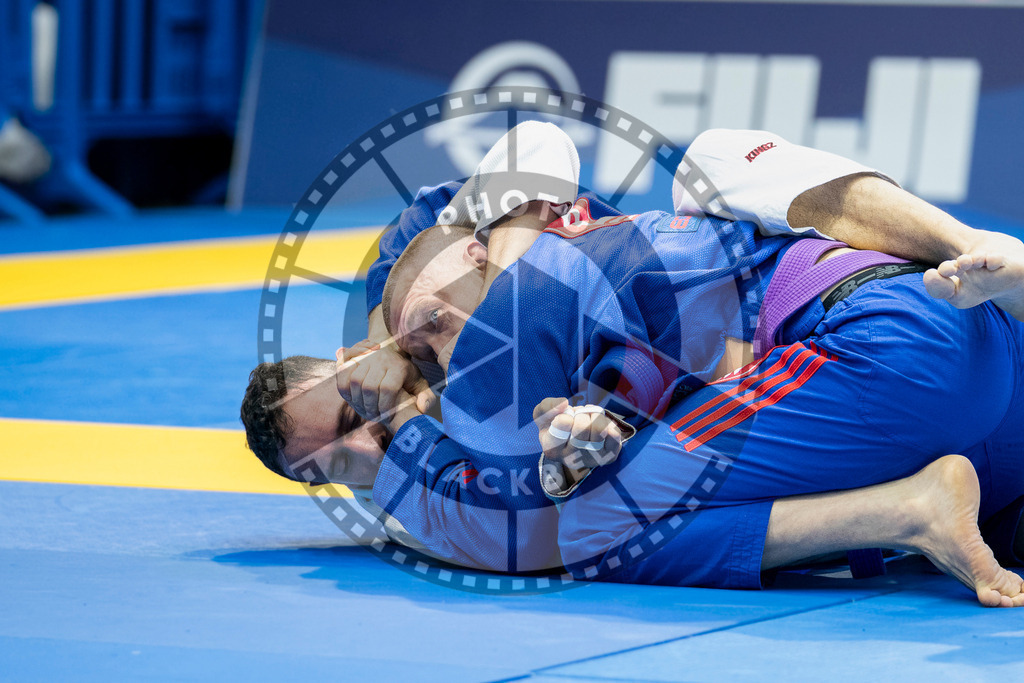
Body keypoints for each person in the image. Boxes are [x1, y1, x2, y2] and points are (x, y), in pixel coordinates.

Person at [241, 123, 1024, 604]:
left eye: (347, 411)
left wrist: (398, 324)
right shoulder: (437, 466)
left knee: (715, 158)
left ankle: (975, 258)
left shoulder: (440, 287)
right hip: (964, 445)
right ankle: (908, 504)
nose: (362, 439)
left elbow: (535, 146)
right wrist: (571, 430)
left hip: (874, 337)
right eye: (332, 465)